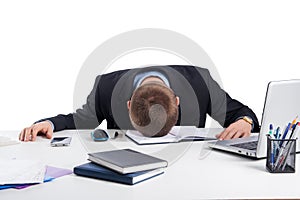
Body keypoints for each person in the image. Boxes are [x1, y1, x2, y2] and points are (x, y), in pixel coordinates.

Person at [19, 65, 259, 142]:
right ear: (128, 104)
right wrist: (48, 123)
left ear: (177, 101)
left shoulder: (199, 81)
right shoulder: (106, 87)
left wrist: (245, 121)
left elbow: (242, 113)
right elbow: (79, 121)